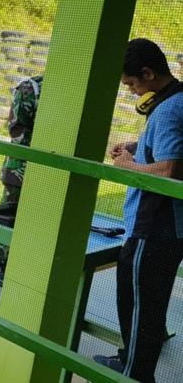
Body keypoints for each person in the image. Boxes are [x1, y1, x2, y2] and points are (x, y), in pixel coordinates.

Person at [93, 38, 183, 382]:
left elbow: (169, 170)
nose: (131, 92)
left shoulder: (169, 109)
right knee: (150, 303)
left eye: (131, 84)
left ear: (147, 73)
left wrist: (129, 165)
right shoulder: (178, 99)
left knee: (137, 305)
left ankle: (133, 373)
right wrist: (139, 146)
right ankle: (131, 361)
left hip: (152, 227)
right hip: (172, 228)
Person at [0, 74, 43, 287]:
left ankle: (23, 263)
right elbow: (16, 131)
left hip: (46, 170)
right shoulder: (29, 88)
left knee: (36, 219)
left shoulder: (70, 91)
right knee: (11, 216)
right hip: (21, 167)